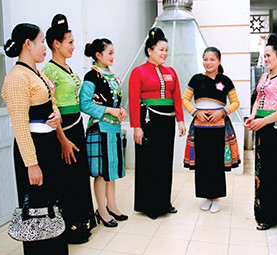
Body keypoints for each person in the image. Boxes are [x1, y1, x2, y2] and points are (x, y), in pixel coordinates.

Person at [1, 23, 68, 255]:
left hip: (48, 146)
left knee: (52, 205)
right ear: (28, 44)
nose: (44, 48)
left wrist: (57, 116)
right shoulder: (17, 77)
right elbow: (20, 123)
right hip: (33, 150)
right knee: (37, 210)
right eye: (41, 42)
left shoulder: (37, 73)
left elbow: (51, 103)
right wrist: (31, 163)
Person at [43, 13, 96, 244]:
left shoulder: (67, 68)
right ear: (57, 44)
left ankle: (83, 220)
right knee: (67, 177)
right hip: (63, 131)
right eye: (70, 42)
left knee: (78, 175)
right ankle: (70, 226)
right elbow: (51, 109)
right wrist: (62, 137)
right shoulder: (49, 71)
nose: (74, 46)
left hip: (77, 126)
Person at [128, 27, 186, 219]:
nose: (165, 54)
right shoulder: (138, 72)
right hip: (148, 121)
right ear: (149, 50)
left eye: (166, 50)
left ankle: (164, 202)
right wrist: (136, 127)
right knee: (149, 162)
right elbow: (134, 101)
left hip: (167, 122)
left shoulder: (171, 72)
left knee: (164, 161)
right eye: (161, 49)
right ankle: (149, 205)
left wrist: (180, 120)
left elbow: (176, 96)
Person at [244, 33, 277, 230]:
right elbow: (258, 98)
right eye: (264, 56)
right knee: (261, 170)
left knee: (274, 171)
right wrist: (253, 115)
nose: (265, 59)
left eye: (268, 55)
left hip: (276, 128)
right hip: (262, 126)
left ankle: (272, 215)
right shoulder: (265, 76)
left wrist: (264, 121)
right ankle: (260, 211)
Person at [182, 47, 241, 213]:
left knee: (216, 163)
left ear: (219, 61)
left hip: (219, 127)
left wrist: (222, 112)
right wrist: (195, 112)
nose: (208, 63)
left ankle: (216, 197)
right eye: (205, 59)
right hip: (199, 126)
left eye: (212, 59)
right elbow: (185, 99)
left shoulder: (226, 81)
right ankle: (205, 196)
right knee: (202, 162)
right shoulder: (196, 79)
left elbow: (236, 103)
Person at [80, 38, 128, 228]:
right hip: (99, 128)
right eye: (110, 53)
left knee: (111, 170)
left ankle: (112, 206)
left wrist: (121, 110)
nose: (113, 56)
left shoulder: (113, 77)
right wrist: (110, 110)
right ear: (98, 55)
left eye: (113, 53)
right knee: (101, 173)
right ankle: (101, 210)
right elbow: (84, 104)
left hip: (113, 128)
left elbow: (115, 101)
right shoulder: (91, 77)